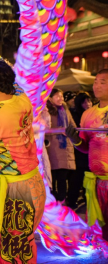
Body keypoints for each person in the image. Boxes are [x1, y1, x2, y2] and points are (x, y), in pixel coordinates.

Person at [0, 33, 46, 263]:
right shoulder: (22, 100)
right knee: (14, 239)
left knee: (14, 251)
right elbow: (9, 76)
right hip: (35, 183)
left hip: (16, 194)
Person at [65, 69, 108, 241]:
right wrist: (74, 139)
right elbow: (85, 147)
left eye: (102, 82)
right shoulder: (87, 114)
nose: (96, 85)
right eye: (95, 81)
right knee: (101, 225)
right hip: (96, 180)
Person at [45, 88, 76, 203]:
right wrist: (59, 130)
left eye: (62, 96)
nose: (61, 99)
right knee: (52, 177)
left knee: (63, 178)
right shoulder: (46, 109)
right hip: (51, 147)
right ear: (50, 98)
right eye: (57, 96)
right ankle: (53, 200)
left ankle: (61, 201)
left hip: (65, 147)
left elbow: (72, 124)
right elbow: (44, 128)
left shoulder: (65, 109)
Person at [67, 92, 92, 208]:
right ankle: (72, 202)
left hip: (91, 153)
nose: (88, 104)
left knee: (89, 180)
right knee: (77, 179)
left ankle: (89, 201)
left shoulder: (95, 115)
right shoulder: (75, 115)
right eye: (84, 102)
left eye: (89, 101)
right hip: (79, 152)